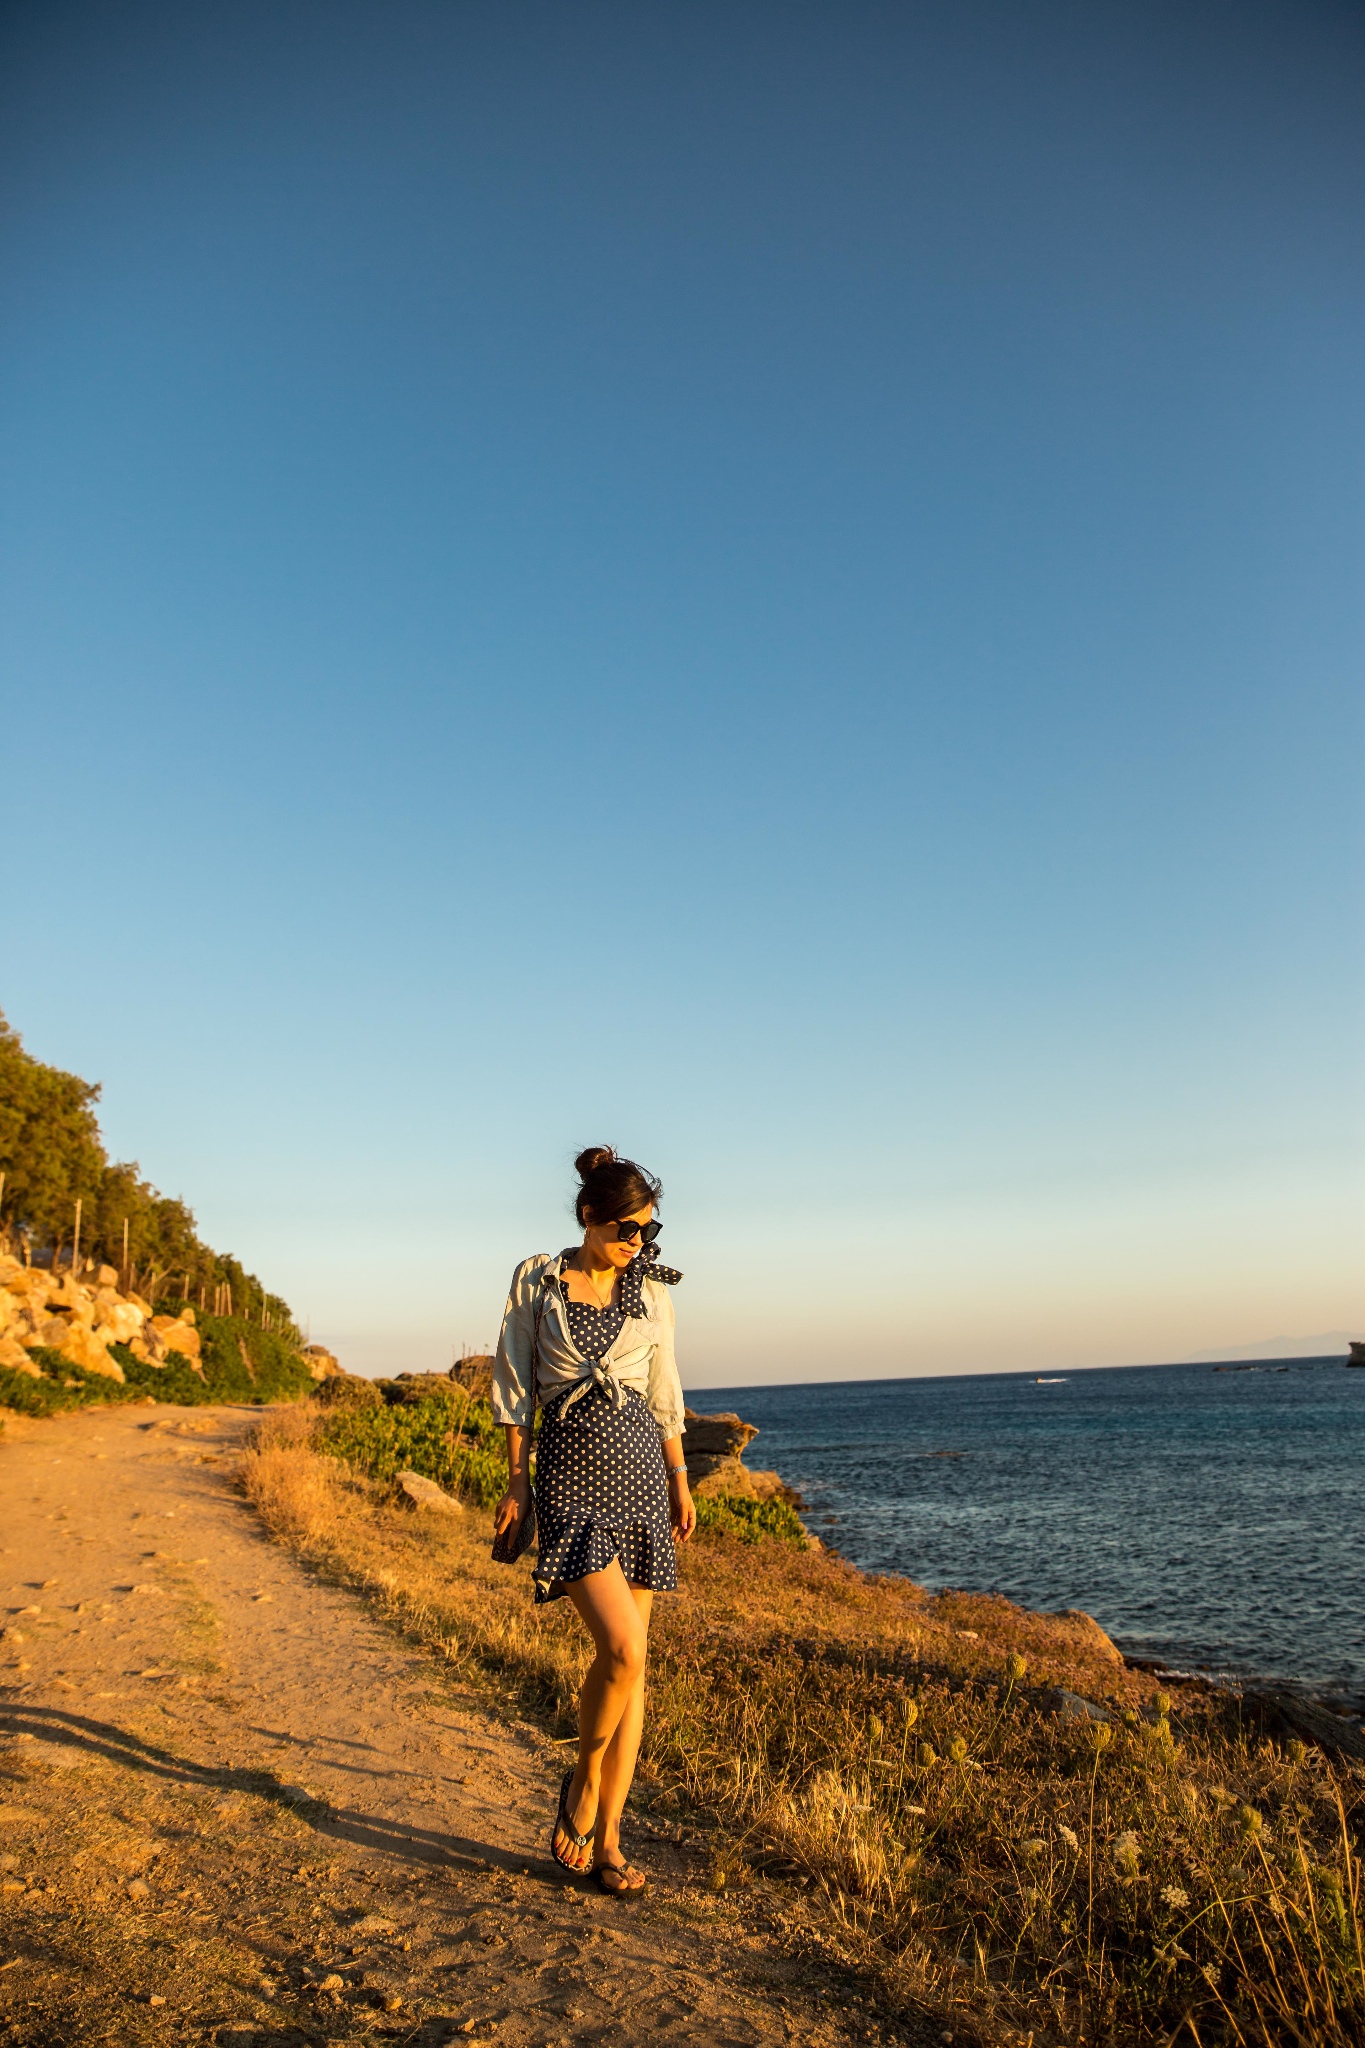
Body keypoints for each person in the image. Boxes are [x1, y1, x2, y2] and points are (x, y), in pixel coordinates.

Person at [491, 1145, 695, 1896]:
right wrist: (518, 1483)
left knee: (634, 1672)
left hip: (642, 1477)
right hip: (571, 1482)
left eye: (647, 1230)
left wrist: (680, 1480)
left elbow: (664, 1390)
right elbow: (514, 1386)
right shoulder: (538, 1280)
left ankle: (609, 1840)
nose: (636, 1243)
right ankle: (580, 1783)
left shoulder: (654, 1292)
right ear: (588, 1217)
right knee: (620, 1649)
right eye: (623, 1229)